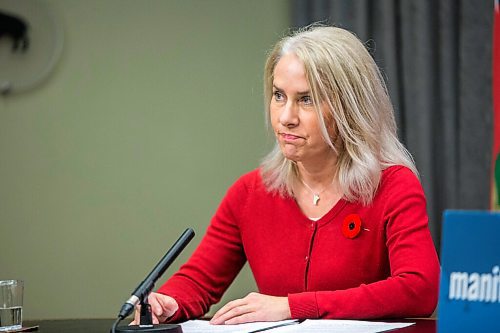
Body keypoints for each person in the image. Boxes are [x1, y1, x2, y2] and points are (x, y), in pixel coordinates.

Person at [131, 25, 440, 325]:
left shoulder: (393, 185)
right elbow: (199, 281)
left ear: (348, 109)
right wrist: (169, 301)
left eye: (305, 99)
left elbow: (419, 289)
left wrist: (292, 307)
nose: (286, 117)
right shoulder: (250, 192)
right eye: (279, 95)